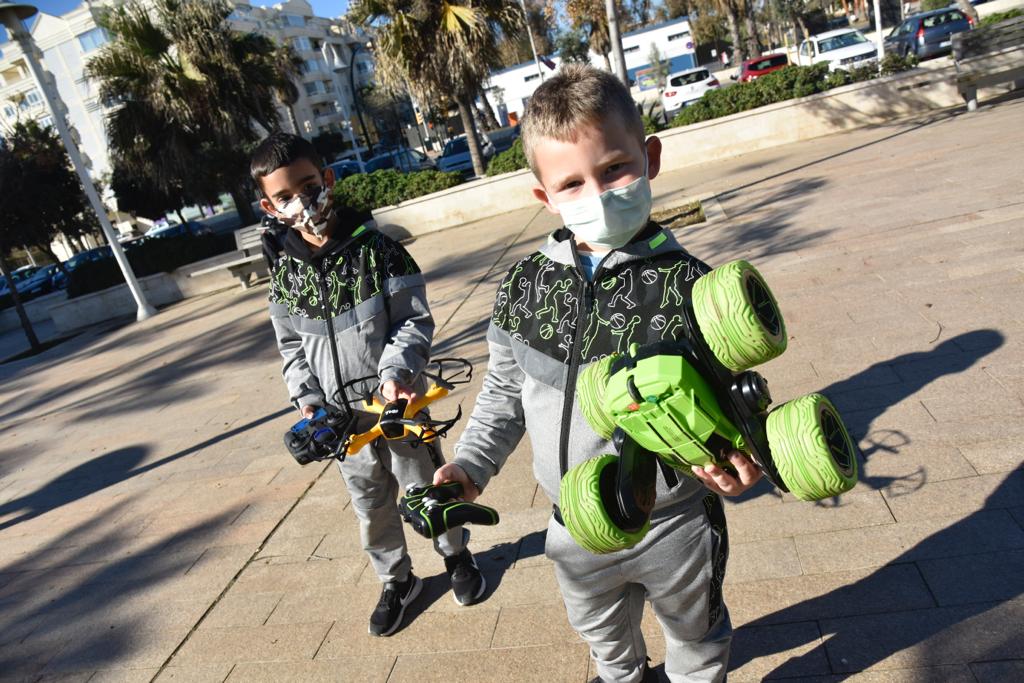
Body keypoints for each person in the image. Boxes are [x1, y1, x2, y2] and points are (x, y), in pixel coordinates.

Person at [432, 64, 762, 682]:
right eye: (572, 183)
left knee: (697, 641)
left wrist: (742, 455)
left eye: (615, 168)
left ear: (650, 155)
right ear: (544, 197)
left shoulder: (694, 287)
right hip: (572, 527)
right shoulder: (523, 288)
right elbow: (504, 391)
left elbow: (736, 403)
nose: (599, 193)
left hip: (678, 523)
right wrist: (471, 466)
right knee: (609, 652)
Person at [251, 132, 485, 637]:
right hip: (341, 422)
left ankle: (457, 556)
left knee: (423, 486)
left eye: (309, 186)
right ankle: (398, 580)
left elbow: (413, 321)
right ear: (269, 206)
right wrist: (309, 403)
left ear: (327, 179)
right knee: (370, 505)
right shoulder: (285, 276)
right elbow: (290, 346)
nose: (302, 202)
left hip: (397, 406)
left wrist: (395, 374)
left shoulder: (380, 251)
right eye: (285, 196)